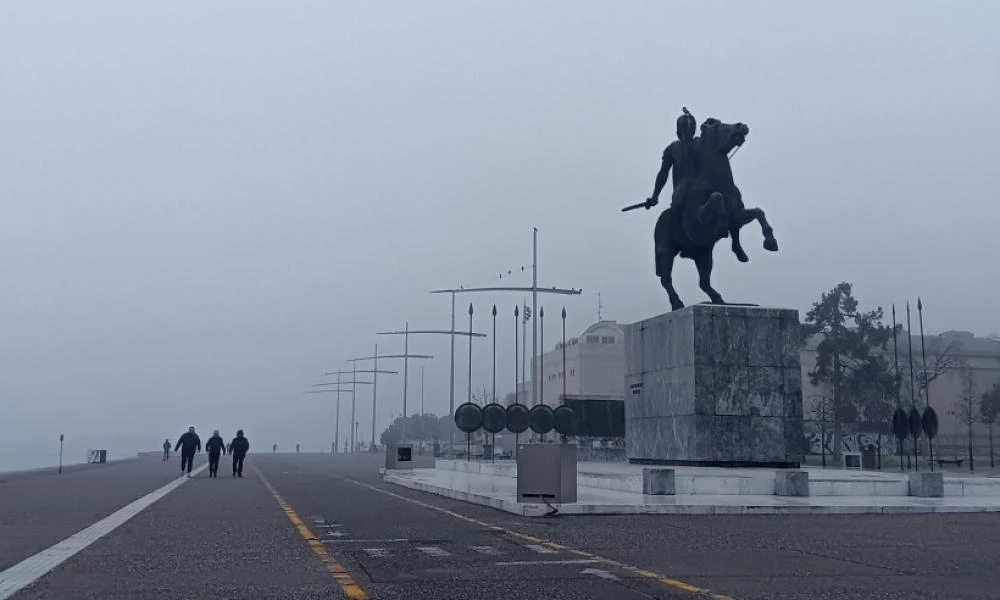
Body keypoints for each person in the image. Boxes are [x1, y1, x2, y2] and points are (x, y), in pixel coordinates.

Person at [646, 107, 700, 215]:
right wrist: (655, 196)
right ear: (678, 132)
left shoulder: (702, 143)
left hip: (702, 184)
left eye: (689, 127)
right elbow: (663, 174)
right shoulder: (672, 149)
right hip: (682, 190)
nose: (687, 131)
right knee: (675, 211)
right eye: (684, 128)